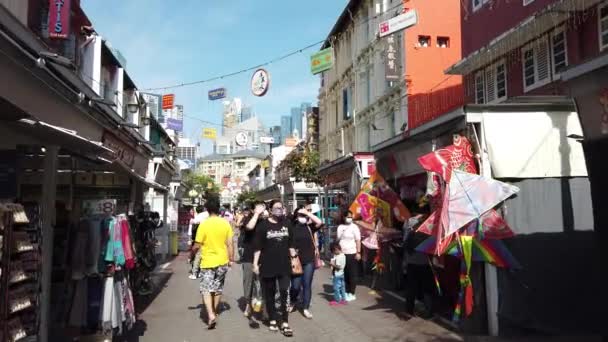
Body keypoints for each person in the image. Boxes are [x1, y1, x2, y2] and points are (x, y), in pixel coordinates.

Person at [253, 200, 296, 337]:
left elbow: (291, 244)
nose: (280, 210)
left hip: (284, 265)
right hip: (267, 265)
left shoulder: (287, 224)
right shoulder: (263, 226)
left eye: (281, 208)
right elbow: (258, 247)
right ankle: (272, 318)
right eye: (277, 208)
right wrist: (255, 264)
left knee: (284, 292)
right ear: (270, 210)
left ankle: (284, 322)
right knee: (269, 294)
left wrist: (294, 258)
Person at [191, 197, 234, 329]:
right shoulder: (225, 223)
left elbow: (197, 245)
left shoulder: (204, 224)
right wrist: (231, 259)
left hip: (208, 261)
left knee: (206, 289)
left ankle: (210, 314)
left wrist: (191, 255)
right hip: (222, 261)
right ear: (219, 209)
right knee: (217, 288)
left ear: (207, 210)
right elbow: (230, 244)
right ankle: (214, 312)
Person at [289, 205, 323, 319]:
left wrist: (308, 213)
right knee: (295, 286)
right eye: (301, 215)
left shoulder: (310, 227)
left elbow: (319, 222)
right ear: (296, 216)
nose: (303, 217)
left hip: (309, 260)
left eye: (304, 215)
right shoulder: (291, 227)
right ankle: (293, 301)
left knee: (307, 285)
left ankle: (305, 307)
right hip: (296, 260)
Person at [404, 203, 434, 318]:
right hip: (425, 261)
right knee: (427, 288)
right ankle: (428, 312)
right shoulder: (429, 223)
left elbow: (405, 240)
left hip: (411, 260)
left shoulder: (409, 222)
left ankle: (409, 311)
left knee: (411, 287)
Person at [240, 203, 264, 318]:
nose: (261, 209)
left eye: (263, 207)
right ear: (253, 210)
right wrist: (256, 214)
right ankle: (248, 304)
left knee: (263, 283)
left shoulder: (267, 221)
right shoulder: (248, 219)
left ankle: (264, 307)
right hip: (249, 256)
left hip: (264, 257)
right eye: (258, 207)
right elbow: (249, 227)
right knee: (248, 282)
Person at [336, 211, 361, 301]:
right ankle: (345, 291)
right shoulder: (340, 227)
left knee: (352, 274)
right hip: (342, 253)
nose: (349, 218)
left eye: (351, 216)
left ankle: (352, 292)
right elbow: (338, 240)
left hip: (352, 252)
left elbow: (358, 240)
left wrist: (358, 252)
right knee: (344, 273)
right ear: (344, 217)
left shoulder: (354, 227)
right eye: (348, 217)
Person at [189, 205, 209, 280]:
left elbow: (192, 229)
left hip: (198, 239)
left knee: (197, 256)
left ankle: (195, 273)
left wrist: (191, 239)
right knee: (203, 256)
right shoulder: (206, 215)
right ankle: (201, 272)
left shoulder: (197, 218)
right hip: (206, 239)